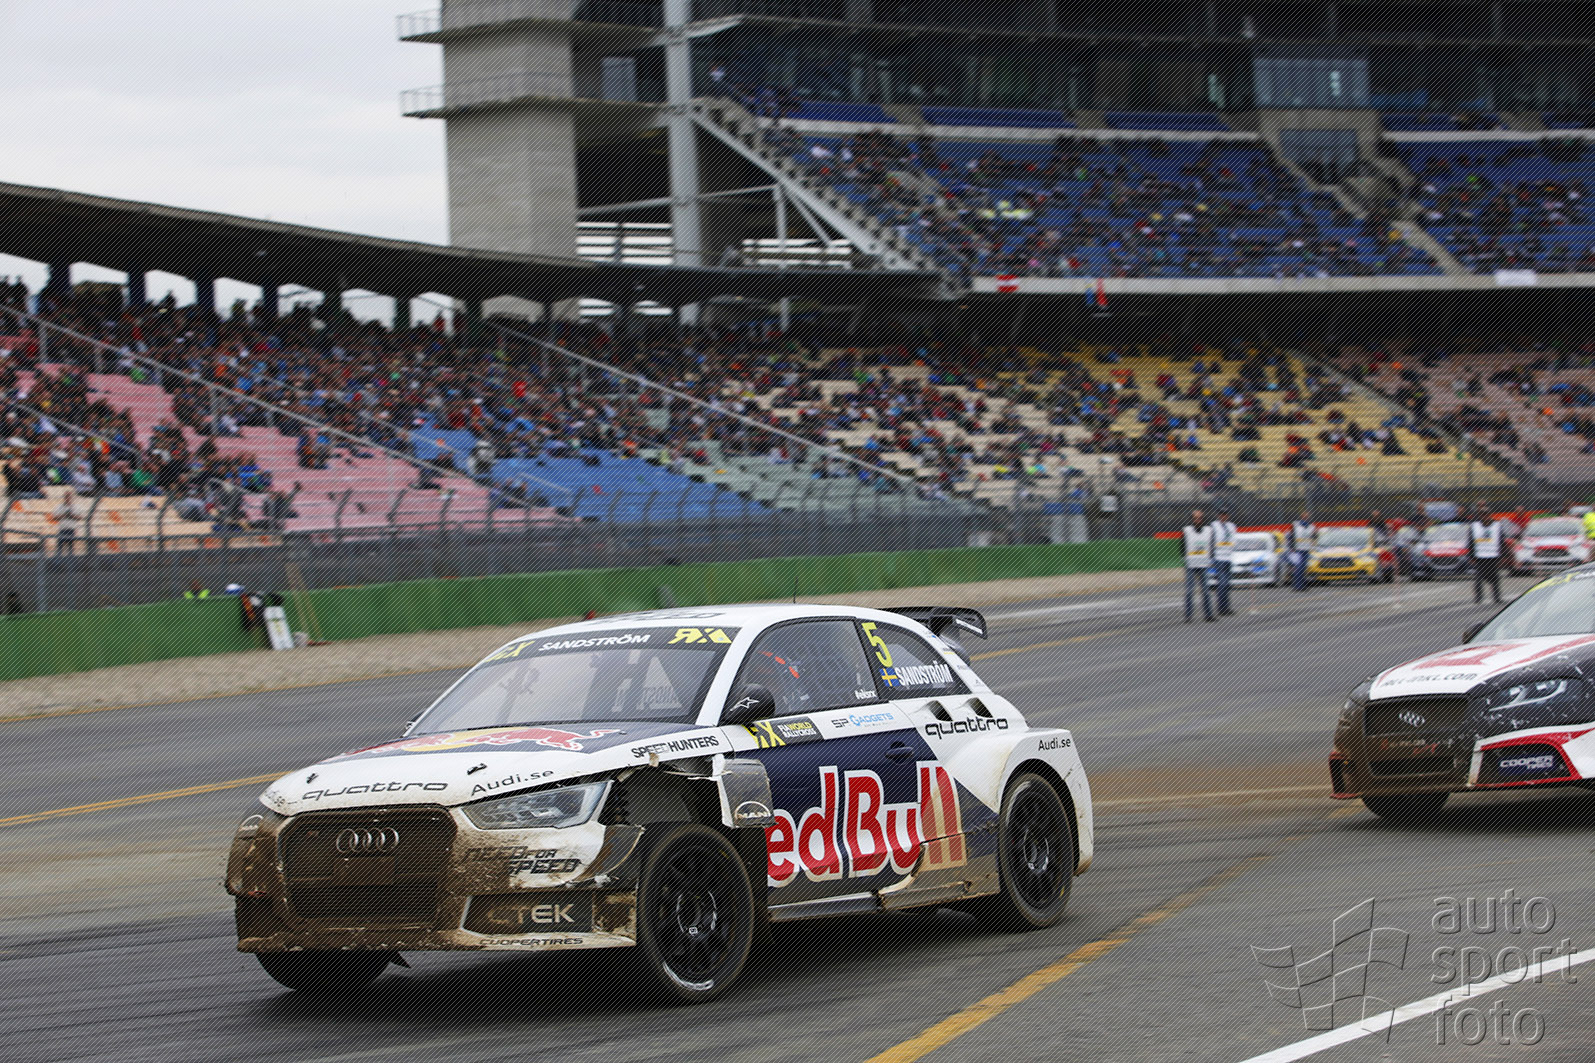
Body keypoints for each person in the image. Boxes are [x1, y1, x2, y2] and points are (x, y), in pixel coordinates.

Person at [1181, 508, 1217, 623]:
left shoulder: (1208, 530)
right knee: (1189, 591)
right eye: (1195, 518)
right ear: (1192, 519)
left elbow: (1212, 546)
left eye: (1200, 518)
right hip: (1191, 565)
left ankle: (1208, 615)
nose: (1198, 520)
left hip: (1203, 564)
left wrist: (1210, 559)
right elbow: (1182, 546)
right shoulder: (1186, 531)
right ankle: (1188, 616)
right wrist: (1186, 559)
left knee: (1205, 591)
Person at [1469, 507, 1504, 605]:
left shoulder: (1497, 525)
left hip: (1493, 556)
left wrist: (1503, 556)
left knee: (1494, 578)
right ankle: (1478, 598)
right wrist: (1471, 556)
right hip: (1480, 556)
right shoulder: (1474, 526)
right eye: (1482, 514)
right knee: (1478, 578)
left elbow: (1501, 541)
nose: (1485, 516)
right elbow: (1470, 541)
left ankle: (1496, 597)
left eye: (1486, 514)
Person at [1212, 508, 1238, 616]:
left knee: (1227, 584)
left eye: (1225, 514)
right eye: (1221, 514)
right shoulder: (1214, 526)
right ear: (1218, 515)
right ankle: (1221, 608)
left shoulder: (1231, 526)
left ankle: (1226, 607)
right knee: (1222, 583)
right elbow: (1211, 541)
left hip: (1228, 558)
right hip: (1219, 558)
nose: (1223, 516)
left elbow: (1234, 540)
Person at [1287, 510, 1316, 592]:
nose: (1307, 517)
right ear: (1302, 517)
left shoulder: (1311, 526)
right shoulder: (1295, 525)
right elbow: (1290, 536)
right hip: (1298, 550)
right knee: (1299, 568)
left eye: (1307, 516)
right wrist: (1291, 547)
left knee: (1302, 568)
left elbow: (1314, 537)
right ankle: (1298, 586)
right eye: (1305, 516)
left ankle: (1301, 585)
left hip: (1306, 549)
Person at [53, 488, 83, 556]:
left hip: (71, 529)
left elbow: (80, 517)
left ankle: (70, 558)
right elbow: (54, 517)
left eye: (69, 496)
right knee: (60, 546)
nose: (67, 498)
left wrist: (72, 515)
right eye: (66, 496)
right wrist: (64, 515)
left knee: (70, 547)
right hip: (62, 528)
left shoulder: (76, 506)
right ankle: (59, 558)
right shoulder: (59, 506)